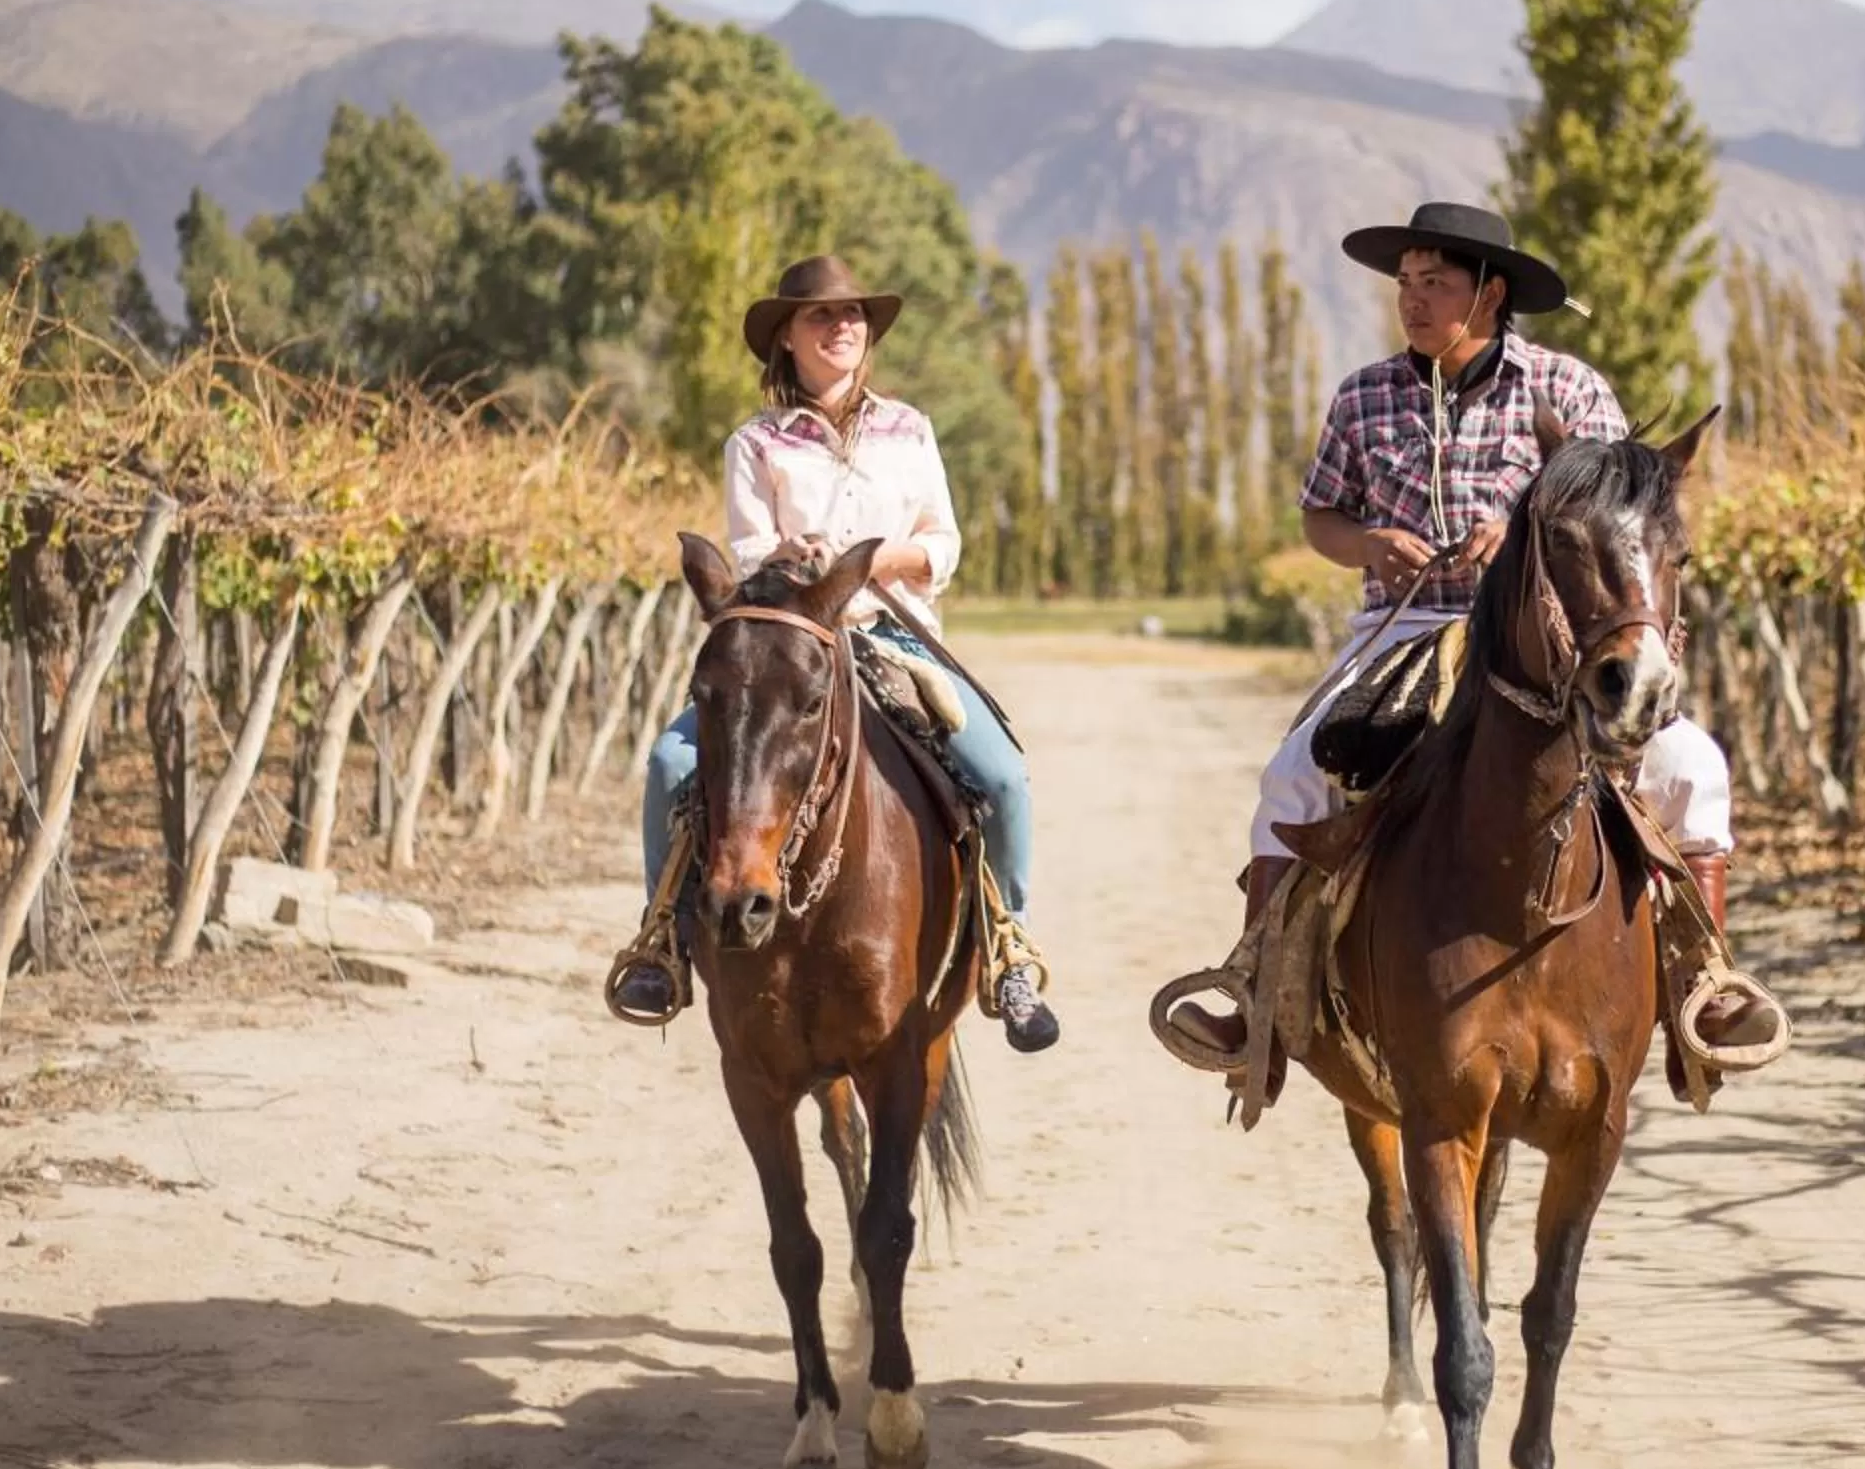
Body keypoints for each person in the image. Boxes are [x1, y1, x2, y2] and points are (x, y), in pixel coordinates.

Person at [1168, 202, 1736, 1065]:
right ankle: (1258, 1002)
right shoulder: (1363, 397)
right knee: (1293, 778)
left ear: (1490, 293)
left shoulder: (1570, 391)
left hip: (1546, 638)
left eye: (1434, 282)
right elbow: (1322, 517)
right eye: (1405, 282)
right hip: (1402, 630)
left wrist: (1519, 536)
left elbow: (1621, 520)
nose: (1412, 299)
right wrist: (1367, 544)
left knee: (1692, 766)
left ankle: (1708, 988)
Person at [611, 255, 1062, 1054]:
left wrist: (876, 559)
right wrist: (796, 560)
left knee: (1000, 775)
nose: (842, 325)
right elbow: (750, 557)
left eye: (853, 314)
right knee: (670, 764)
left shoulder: (910, 429)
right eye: (820, 314)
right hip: (790, 648)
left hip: (894, 638)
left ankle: (1009, 948)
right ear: (786, 337)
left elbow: (943, 544)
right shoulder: (755, 443)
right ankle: (663, 942)